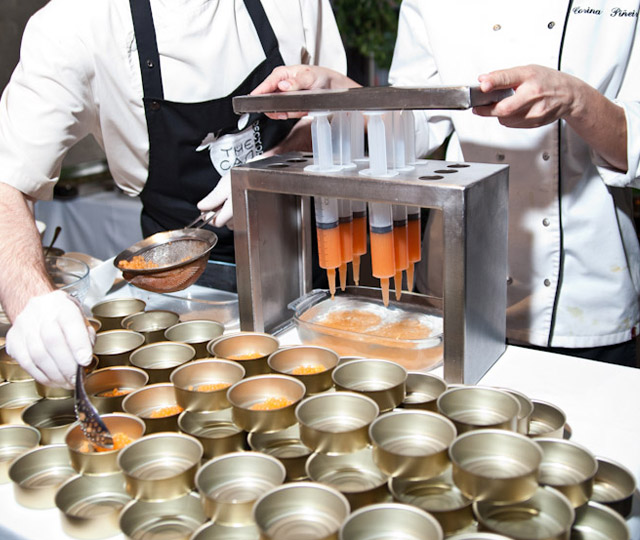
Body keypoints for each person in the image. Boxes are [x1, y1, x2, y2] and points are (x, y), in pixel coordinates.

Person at [252, 0, 640, 367]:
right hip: (456, 281)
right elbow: (414, 121)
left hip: (584, 293)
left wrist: (577, 100)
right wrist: (345, 96)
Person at [0, 0, 346, 388]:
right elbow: (6, 181)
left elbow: (336, 111)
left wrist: (274, 164)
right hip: (182, 295)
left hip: (311, 273)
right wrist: (31, 300)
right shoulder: (77, 23)